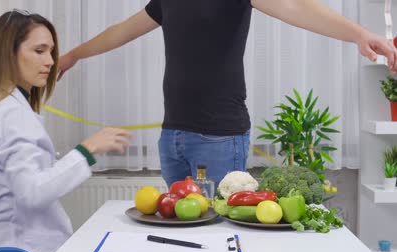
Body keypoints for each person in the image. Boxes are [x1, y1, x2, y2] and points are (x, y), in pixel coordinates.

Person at [58, 0, 397, 189]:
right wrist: (72, 55)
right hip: (172, 135)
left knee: (219, 236)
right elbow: (120, 31)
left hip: (218, 137)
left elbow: (296, 7)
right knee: (182, 228)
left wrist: (359, 34)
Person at [0, 10, 132, 252]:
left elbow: (28, 182)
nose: (50, 61)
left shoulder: (6, 106)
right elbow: (32, 192)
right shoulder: (10, 113)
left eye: (51, 51)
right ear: (9, 54)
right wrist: (87, 149)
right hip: (9, 250)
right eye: (39, 51)